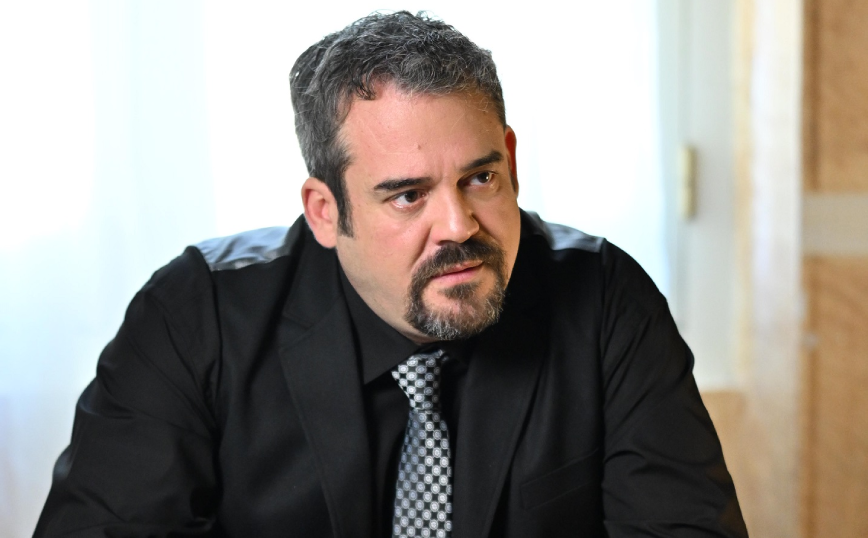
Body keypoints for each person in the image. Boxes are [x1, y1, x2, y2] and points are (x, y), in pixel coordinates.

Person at [35, 11, 748, 538]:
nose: (459, 225)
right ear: (325, 211)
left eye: (480, 178)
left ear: (511, 160)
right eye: (408, 195)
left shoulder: (604, 299)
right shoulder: (194, 317)